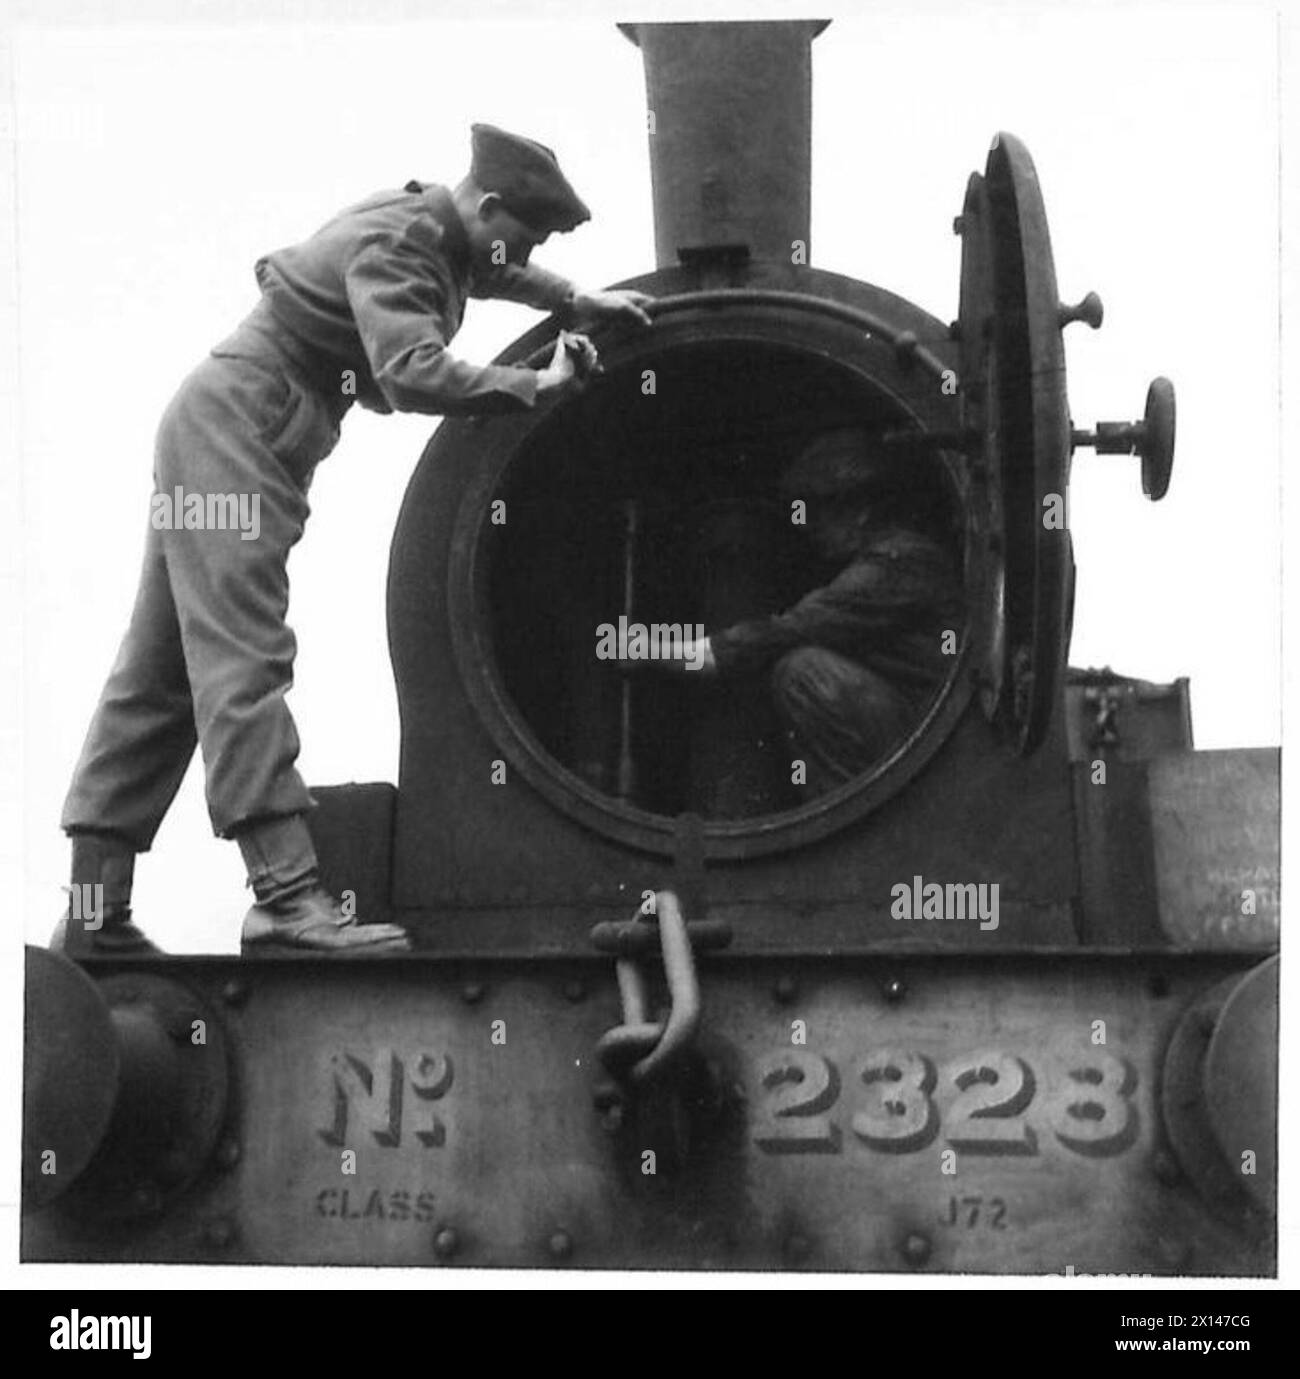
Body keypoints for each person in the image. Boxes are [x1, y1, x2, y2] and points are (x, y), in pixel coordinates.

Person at [57, 123, 653, 957]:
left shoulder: (438, 231)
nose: (523, 253)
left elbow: (490, 270)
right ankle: (287, 895)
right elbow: (410, 370)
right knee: (241, 653)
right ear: (486, 206)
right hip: (243, 428)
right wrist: (535, 382)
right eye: (527, 232)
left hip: (229, 418)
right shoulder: (404, 243)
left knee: (159, 674)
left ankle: (92, 912)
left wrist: (572, 301)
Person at [638, 430, 964, 795]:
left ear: (861, 511)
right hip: (922, 727)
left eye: (820, 513)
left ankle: (853, 823)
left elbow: (786, 632)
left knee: (804, 672)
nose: (810, 528)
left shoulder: (899, 561)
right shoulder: (899, 559)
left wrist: (656, 650)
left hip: (935, 745)